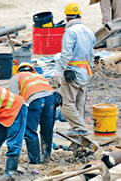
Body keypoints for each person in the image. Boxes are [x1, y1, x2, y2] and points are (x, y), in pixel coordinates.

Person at [58, 2, 96, 136]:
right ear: (80, 16)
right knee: (79, 104)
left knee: (66, 102)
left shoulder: (70, 32)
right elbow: (92, 54)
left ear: (67, 19)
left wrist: (59, 72)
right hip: (84, 72)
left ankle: (79, 127)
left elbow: (66, 54)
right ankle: (79, 131)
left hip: (72, 72)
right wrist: (88, 70)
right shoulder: (89, 31)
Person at [9, 63, 56, 164]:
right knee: (47, 129)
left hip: (34, 99)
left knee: (30, 130)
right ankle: (46, 156)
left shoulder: (17, 77)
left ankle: (35, 161)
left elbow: (14, 98)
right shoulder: (39, 76)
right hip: (51, 98)